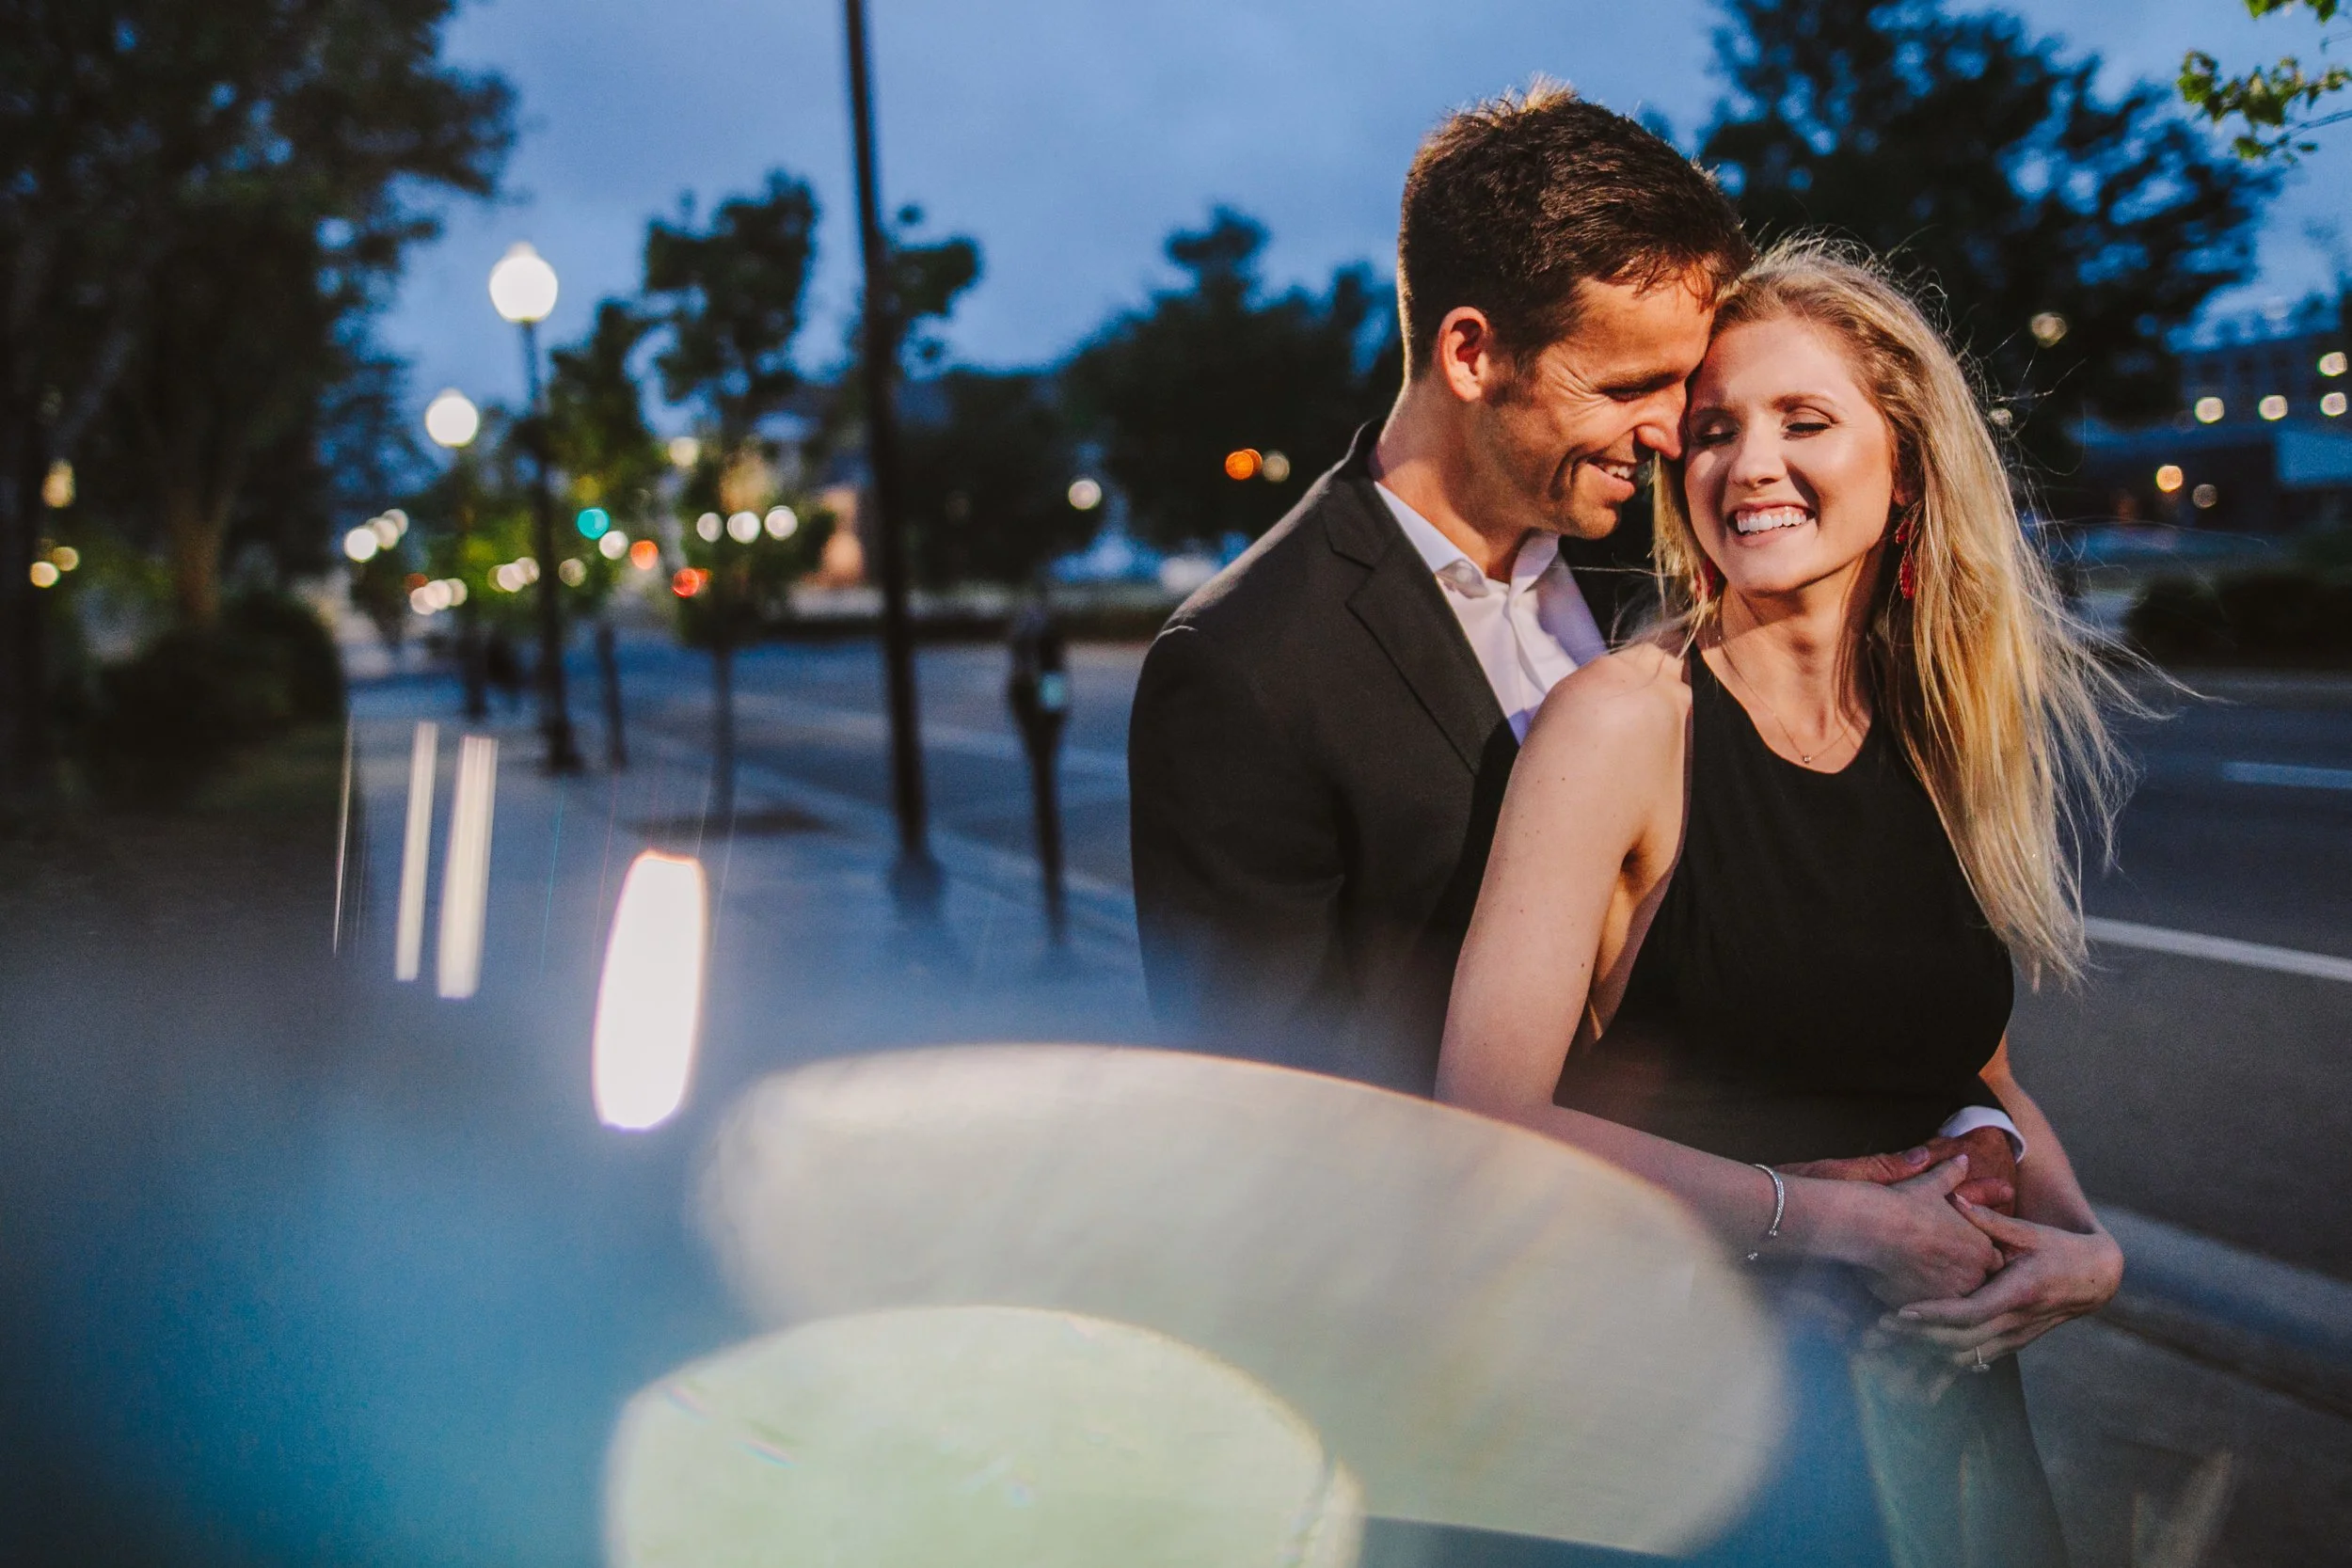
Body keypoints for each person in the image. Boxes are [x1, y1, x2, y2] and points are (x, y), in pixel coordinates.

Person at [1126, 84, 2023, 1186]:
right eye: (1631, 385)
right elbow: (1262, 1116)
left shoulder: (1664, 553)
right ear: (1471, 355)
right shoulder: (1246, 663)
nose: (1666, 432)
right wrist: (1769, 1203)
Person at [1438, 239, 2131, 1564]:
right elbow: (1483, 1122)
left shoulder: (1935, 731)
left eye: (1803, 420)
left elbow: (1968, 1066)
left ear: (1906, 461)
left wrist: (2087, 1248)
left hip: (1939, 1429)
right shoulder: (1622, 725)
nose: (1747, 462)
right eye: (1711, 430)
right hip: (1707, 1438)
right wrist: (1842, 1223)